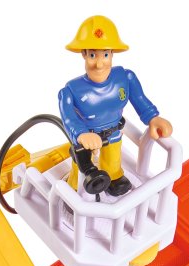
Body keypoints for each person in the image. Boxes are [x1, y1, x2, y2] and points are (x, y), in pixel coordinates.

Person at [59, 15, 173, 197]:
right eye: (92, 55)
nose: (99, 64)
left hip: (113, 134)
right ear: (83, 54)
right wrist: (81, 134)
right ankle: (74, 187)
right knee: (81, 168)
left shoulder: (125, 78)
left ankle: (113, 177)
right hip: (87, 140)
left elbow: (140, 100)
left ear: (112, 53)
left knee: (113, 159)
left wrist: (153, 117)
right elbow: (69, 119)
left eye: (105, 55)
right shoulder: (71, 91)